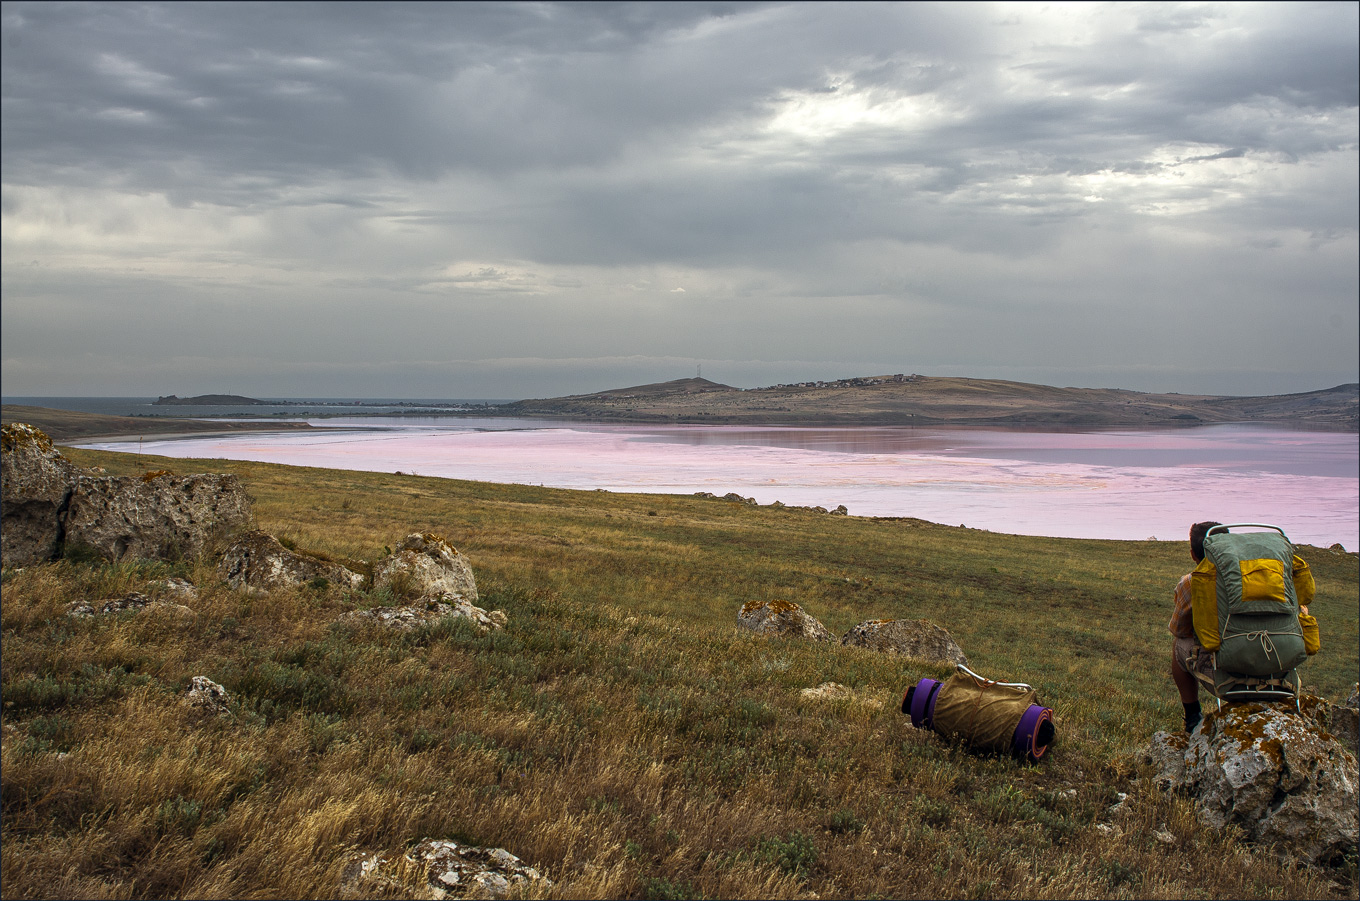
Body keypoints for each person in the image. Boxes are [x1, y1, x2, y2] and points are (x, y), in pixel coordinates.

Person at [1169, 521, 1221, 733]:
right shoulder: (1259, 576)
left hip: (1225, 669)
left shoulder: (1191, 582)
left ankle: (1192, 717)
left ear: (1193, 554)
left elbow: (1179, 630)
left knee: (1178, 645)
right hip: (1274, 665)